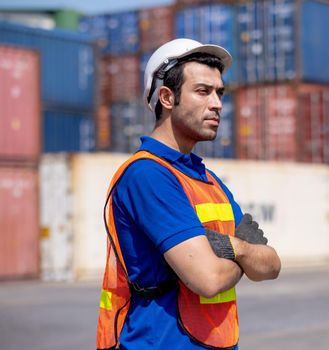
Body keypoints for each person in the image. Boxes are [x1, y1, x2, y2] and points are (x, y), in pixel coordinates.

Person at [96, 38, 281, 350]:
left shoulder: (207, 180)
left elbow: (272, 265)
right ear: (167, 98)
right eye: (203, 91)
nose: (218, 103)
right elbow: (207, 279)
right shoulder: (148, 175)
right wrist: (248, 255)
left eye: (219, 92)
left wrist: (235, 248)